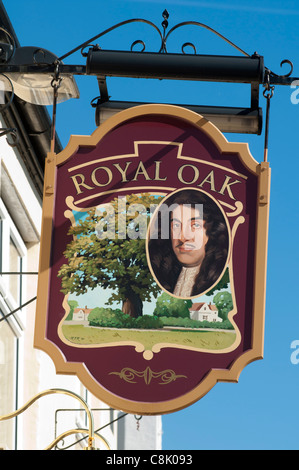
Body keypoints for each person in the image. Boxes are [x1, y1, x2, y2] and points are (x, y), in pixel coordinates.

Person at [148, 189, 229, 297]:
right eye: (176, 225)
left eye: (195, 225)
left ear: (212, 231)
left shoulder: (219, 278)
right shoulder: (167, 277)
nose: (183, 237)